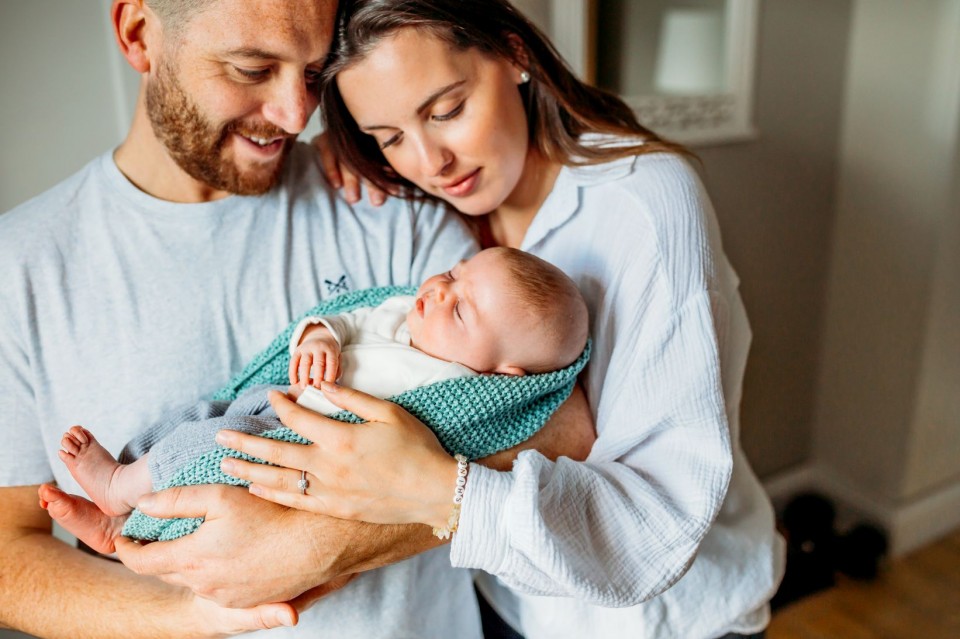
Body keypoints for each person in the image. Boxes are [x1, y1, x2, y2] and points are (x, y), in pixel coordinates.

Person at [0, 0, 594, 637]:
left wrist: (313, 543)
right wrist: (195, 612)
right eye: (253, 69)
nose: (295, 115)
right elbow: (8, 548)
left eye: (313, 74)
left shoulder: (389, 203)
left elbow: (562, 422)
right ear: (138, 34)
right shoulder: (21, 267)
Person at [218, 1, 786, 638]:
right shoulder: (433, 213)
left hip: (665, 623)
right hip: (509, 608)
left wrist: (439, 489)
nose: (433, 163)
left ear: (515, 56)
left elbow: (657, 523)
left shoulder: (646, 204)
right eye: (391, 136)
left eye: (447, 110)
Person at [48, 246, 589, 554]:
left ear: (502, 373)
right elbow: (344, 315)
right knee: (190, 417)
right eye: (453, 273)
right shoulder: (400, 312)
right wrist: (320, 337)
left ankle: (122, 505)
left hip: (290, 441)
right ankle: (124, 474)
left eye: (462, 312)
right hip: (275, 395)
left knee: (208, 446)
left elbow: (444, 445)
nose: (440, 291)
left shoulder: (459, 390)